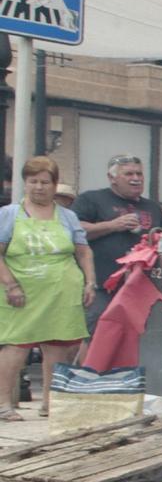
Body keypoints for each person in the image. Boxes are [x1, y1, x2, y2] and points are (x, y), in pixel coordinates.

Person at [0, 158, 92, 421]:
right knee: (17, 346)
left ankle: (51, 403)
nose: (39, 187)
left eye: (44, 182)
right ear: (25, 183)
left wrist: (89, 282)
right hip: (21, 294)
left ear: (53, 185)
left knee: (59, 347)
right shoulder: (8, 215)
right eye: (33, 181)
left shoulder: (68, 216)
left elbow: (84, 252)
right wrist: (11, 285)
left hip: (62, 292)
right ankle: (3, 404)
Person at [72, 154, 162, 333]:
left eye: (139, 174)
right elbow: (74, 232)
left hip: (142, 287)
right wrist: (112, 225)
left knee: (137, 338)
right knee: (96, 336)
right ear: (112, 178)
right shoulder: (91, 199)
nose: (136, 179)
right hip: (102, 286)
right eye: (129, 174)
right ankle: (90, 363)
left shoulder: (153, 207)